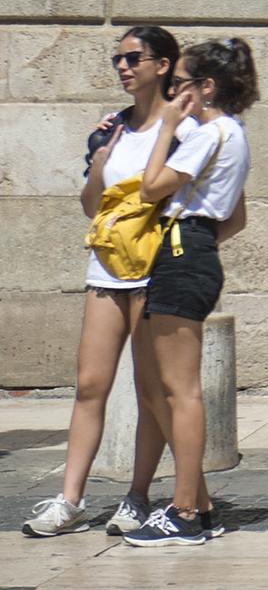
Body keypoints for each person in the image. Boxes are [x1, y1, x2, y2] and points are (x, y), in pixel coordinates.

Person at [23, 27, 186, 539]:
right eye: (117, 58)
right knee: (91, 385)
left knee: (150, 390)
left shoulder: (182, 127)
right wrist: (97, 164)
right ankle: (69, 499)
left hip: (155, 267)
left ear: (161, 65)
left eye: (133, 57)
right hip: (107, 267)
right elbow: (92, 207)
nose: (122, 66)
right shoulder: (111, 130)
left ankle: (139, 497)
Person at [123, 38, 257, 548]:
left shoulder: (207, 132)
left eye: (179, 83)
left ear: (205, 87)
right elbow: (236, 217)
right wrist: (196, 243)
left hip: (181, 257)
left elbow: (152, 185)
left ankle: (184, 512)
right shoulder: (236, 135)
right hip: (192, 251)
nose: (173, 91)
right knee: (168, 386)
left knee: (180, 390)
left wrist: (168, 130)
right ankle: (196, 504)